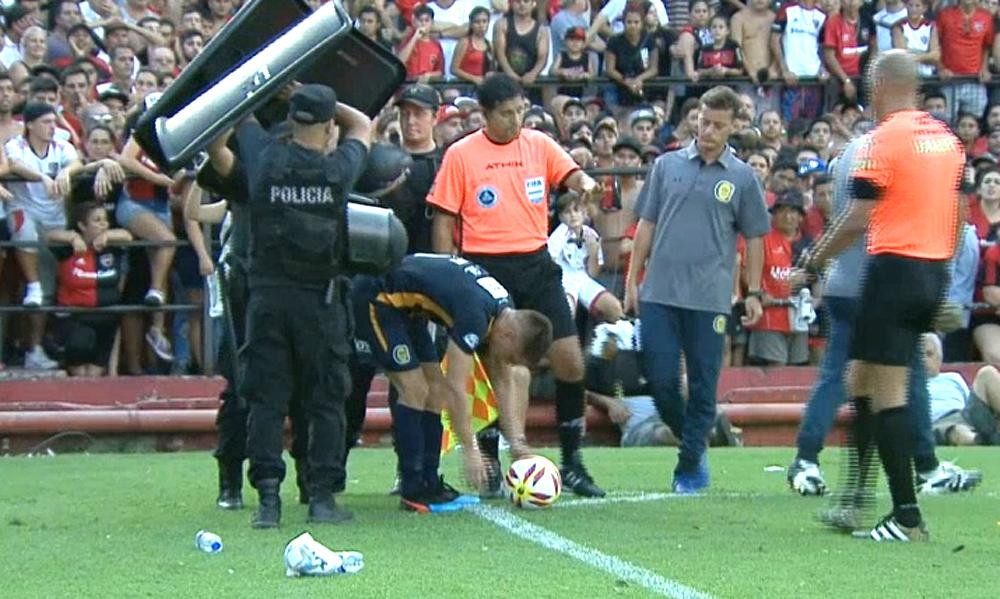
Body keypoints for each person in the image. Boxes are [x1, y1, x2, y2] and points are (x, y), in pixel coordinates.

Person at [800, 50, 965, 542]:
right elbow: (956, 214)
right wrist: (941, 273)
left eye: (871, 87)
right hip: (931, 272)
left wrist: (814, 259)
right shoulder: (946, 141)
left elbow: (857, 216)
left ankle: (906, 516)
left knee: (884, 392)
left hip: (894, 271)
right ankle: (855, 499)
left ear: (880, 86)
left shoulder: (884, 141)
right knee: (860, 379)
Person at [429, 73, 606, 498]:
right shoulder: (461, 154)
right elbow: (444, 220)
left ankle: (573, 461)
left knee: (571, 362)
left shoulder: (539, 145)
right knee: (497, 367)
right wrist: (446, 276)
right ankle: (489, 458)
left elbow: (573, 175)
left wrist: (586, 184)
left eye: (520, 111)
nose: (515, 120)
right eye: (506, 114)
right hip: (486, 268)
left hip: (536, 263)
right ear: (485, 115)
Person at [205, 84, 371, 528]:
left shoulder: (262, 158)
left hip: (266, 300)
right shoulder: (337, 169)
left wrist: (265, 85)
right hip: (320, 303)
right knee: (326, 401)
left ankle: (268, 502)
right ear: (328, 126)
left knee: (266, 401)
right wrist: (319, 97)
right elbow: (365, 124)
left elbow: (221, 137)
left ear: (294, 121)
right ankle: (321, 498)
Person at [625, 85, 770, 494]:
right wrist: (633, 281)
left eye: (718, 125)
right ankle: (694, 436)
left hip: (709, 297)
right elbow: (645, 227)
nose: (708, 130)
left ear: (732, 128)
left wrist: (754, 291)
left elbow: (755, 237)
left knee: (705, 383)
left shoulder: (741, 177)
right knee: (659, 378)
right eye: (703, 121)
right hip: (659, 292)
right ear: (696, 118)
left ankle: (689, 464)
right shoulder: (667, 165)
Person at [352, 254, 553, 510]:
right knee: (415, 389)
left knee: (435, 393)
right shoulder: (475, 317)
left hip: (410, 310)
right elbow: (456, 388)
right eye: (512, 357)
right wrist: (471, 449)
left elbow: (501, 379)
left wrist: (517, 444)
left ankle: (430, 483)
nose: (508, 362)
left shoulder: (504, 311)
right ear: (509, 336)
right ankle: (412, 488)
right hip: (377, 298)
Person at [4, 102, 83, 370]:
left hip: (54, 221)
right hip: (26, 212)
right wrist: (41, 177)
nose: (52, 127)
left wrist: (64, 172)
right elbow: (13, 164)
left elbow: (76, 162)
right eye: (46, 122)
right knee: (23, 228)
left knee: (48, 290)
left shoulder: (61, 145)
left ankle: (35, 349)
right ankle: (33, 285)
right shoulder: (17, 145)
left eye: (53, 121)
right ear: (30, 125)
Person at [46, 202, 131, 376]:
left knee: (94, 375)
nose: (103, 224)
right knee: (80, 369)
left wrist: (107, 235)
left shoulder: (111, 246)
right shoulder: (67, 249)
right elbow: (49, 236)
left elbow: (127, 236)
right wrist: (73, 238)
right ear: (82, 225)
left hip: (106, 318)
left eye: (105, 220)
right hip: (76, 318)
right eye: (97, 220)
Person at [548, 191, 625, 322]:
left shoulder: (591, 234)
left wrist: (593, 251)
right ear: (561, 217)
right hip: (563, 279)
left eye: (576, 210)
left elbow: (593, 274)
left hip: (582, 279)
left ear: (584, 213)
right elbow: (550, 263)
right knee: (567, 313)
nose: (573, 215)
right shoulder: (558, 235)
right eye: (567, 212)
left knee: (615, 308)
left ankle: (609, 340)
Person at [924, 333, 1000, 447]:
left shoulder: (953, 377)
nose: (923, 360)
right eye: (916, 355)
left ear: (939, 358)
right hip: (934, 426)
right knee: (957, 431)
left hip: (964, 416)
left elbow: (971, 403)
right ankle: (977, 441)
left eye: (929, 354)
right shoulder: (903, 385)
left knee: (987, 373)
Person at [936, 0, 993, 123]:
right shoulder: (945, 15)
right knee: (947, 122)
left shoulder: (986, 17)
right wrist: (940, 68)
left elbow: (986, 46)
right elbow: (935, 44)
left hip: (975, 80)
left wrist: (984, 68)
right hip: (950, 80)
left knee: (974, 121)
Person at [730, 0, 776, 87]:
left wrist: (774, 68)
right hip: (746, 79)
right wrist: (750, 70)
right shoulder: (738, 18)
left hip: (772, 78)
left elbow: (780, 46)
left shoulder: (775, 18)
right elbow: (736, 48)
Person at [450, 6, 493, 85]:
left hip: (483, 84)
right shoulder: (464, 42)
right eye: (477, 22)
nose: (481, 25)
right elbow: (454, 69)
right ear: (471, 24)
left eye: (484, 21)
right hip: (463, 84)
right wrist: (473, 78)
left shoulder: (489, 45)